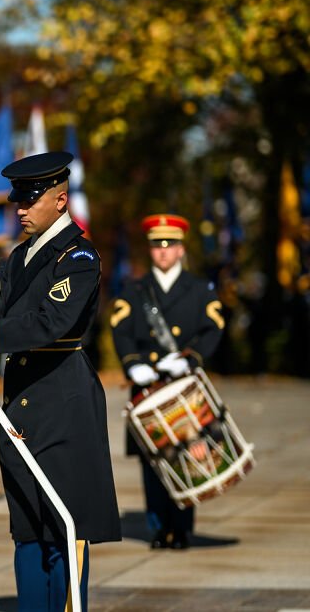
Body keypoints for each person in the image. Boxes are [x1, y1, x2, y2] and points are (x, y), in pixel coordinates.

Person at [0, 152, 120, 612]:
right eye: (18, 201)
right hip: (23, 402)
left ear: (60, 199)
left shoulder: (79, 255)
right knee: (29, 530)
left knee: (65, 527)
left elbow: (50, 320)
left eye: (30, 201)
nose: (20, 210)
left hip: (64, 400)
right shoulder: (17, 257)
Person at [110, 213, 224, 550]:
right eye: (156, 245)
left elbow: (213, 328)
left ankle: (183, 527)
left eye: (169, 245)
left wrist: (191, 359)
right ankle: (158, 526)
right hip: (147, 385)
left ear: (181, 249)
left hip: (183, 385)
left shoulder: (200, 289)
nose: (162, 251)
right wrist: (132, 365)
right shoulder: (134, 289)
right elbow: (121, 330)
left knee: (189, 451)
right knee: (153, 458)